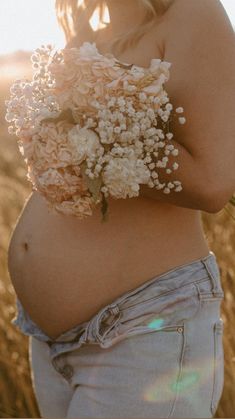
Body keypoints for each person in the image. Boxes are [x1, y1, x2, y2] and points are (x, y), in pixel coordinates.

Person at [7, 0, 235, 417]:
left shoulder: (194, 14)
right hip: (47, 339)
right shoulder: (88, 30)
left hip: (143, 329)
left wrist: (94, 137)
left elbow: (212, 181)